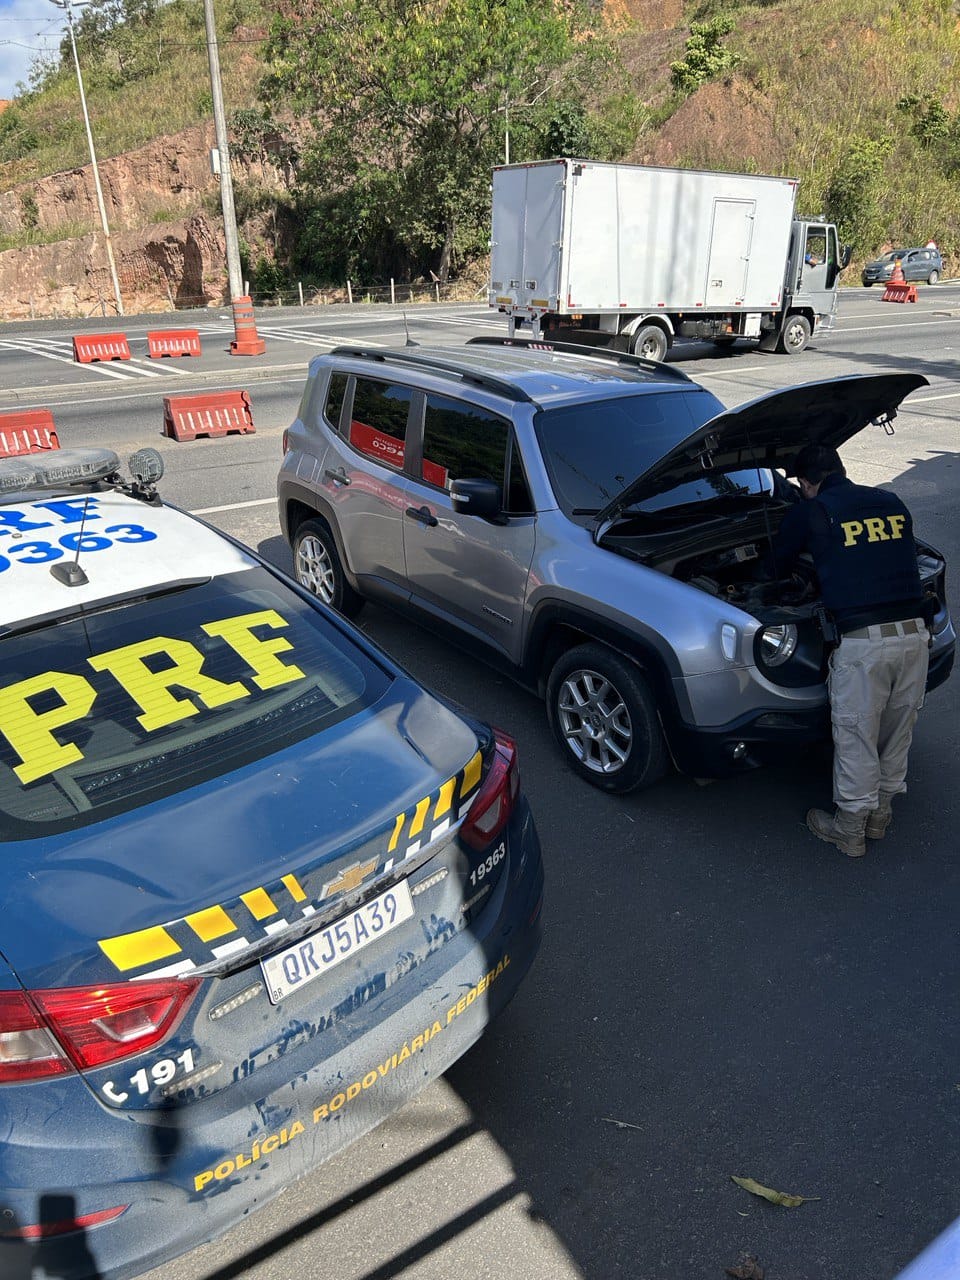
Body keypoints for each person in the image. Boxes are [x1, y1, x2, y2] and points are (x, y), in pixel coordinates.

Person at [768, 444, 932, 858]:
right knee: (897, 730)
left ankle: (849, 829)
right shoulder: (891, 502)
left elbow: (773, 568)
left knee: (857, 734)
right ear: (842, 469)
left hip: (864, 645)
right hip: (915, 637)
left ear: (806, 484)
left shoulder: (813, 511)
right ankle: (881, 815)